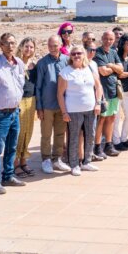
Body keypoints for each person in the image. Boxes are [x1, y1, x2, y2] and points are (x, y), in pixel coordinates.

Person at [0, 33, 26, 194]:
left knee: (12, 146)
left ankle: (8, 175)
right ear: (0, 45)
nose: (10, 46)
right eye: (7, 43)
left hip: (15, 111)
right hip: (0, 113)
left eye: (13, 43)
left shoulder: (19, 63)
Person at [58, 45, 102, 176]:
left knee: (90, 135)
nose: (77, 56)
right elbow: (60, 94)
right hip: (73, 110)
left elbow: (98, 87)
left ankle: (87, 161)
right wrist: (64, 112)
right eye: (74, 54)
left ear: (84, 55)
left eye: (79, 53)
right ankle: (74, 164)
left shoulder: (90, 69)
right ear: (70, 56)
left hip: (91, 109)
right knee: (74, 138)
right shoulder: (65, 72)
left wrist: (98, 103)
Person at [35, 36, 70, 174]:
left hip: (62, 105)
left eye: (55, 45)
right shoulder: (42, 63)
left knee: (60, 133)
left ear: (60, 45)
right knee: (46, 134)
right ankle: (46, 160)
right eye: (50, 45)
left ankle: (57, 159)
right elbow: (38, 87)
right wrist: (39, 107)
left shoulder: (66, 60)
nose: (53, 48)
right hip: (47, 105)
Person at [93, 31, 122, 159]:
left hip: (113, 90)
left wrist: (111, 66)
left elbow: (121, 69)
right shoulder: (98, 53)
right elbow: (103, 72)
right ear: (102, 38)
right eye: (106, 38)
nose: (108, 41)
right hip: (103, 92)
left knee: (111, 118)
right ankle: (97, 146)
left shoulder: (114, 52)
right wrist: (114, 68)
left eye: (111, 39)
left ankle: (109, 145)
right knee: (102, 119)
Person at [14, 37, 37, 177]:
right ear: (21, 47)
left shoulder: (34, 65)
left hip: (31, 100)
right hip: (19, 100)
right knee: (19, 133)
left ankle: (24, 161)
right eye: (26, 46)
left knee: (28, 131)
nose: (29, 49)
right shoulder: (15, 63)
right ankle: (15, 163)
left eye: (31, 47)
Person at [113, 33, 128, 150]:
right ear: (122, 44)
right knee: (116, 118)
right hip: (117, 91)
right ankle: (116, 142)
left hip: (127, 91)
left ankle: (123, 138)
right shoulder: (117, 57)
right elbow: (120, 74)